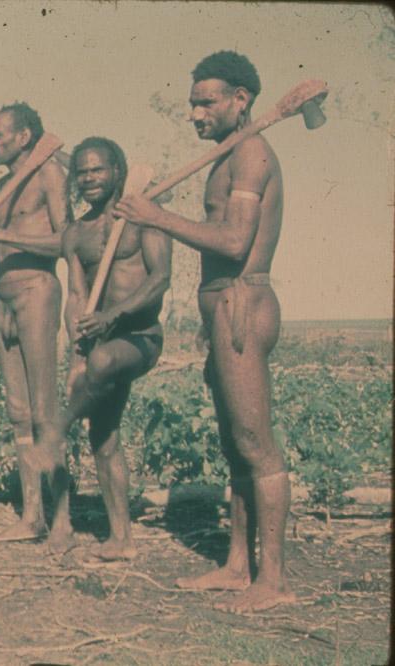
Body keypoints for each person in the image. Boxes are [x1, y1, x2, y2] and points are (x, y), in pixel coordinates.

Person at [114, 51, 296, 612]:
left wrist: (155, 216)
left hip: (244, 303)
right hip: (220, 310)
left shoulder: (253, 154)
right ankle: (239, 566)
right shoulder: (227, 157)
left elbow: (235, 243)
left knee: (254, 443)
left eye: (207, 102)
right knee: (232, 445)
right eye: (191, 103)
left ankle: (275, 582)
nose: (195, 113)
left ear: (241, 100)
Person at [28, 137, 171, 560]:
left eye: (98, 170)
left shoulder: (143, 219)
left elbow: (160, 279)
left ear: (117, 172)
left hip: (139, 337)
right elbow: (76, 295)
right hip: (99, 342)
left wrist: (114, 315)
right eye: (83, 172)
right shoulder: (75, 234)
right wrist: (77, 347)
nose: (90, 178)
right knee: (104, 439)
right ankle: (121, 539)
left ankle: (56, 428)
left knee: (106, 362)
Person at [0, 103, 69, 547]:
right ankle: (32, 516)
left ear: (25, 136)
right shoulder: (4, 185)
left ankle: (62, 520)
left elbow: (65, 241)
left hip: (37, 294)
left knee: (45, 410)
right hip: (5, 301)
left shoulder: (49, 175)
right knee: (18, 412)